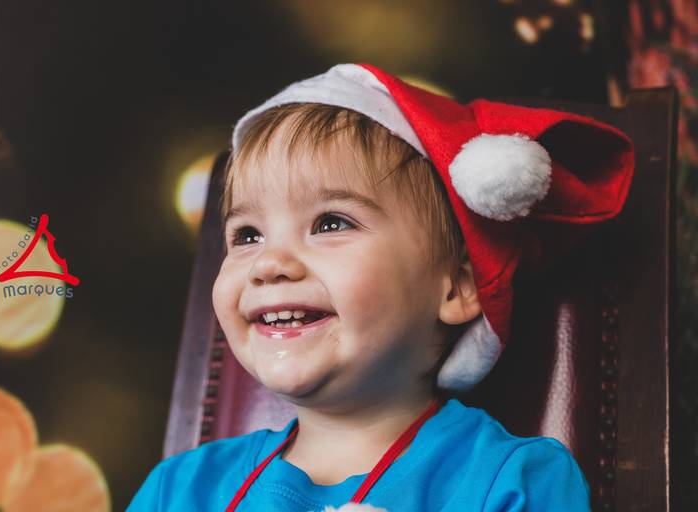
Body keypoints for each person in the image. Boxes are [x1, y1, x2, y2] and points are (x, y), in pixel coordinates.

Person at [126, 63, 634, 511]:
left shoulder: (515, 482)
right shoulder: (179, 488)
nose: (269, 263)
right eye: (247, 235)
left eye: (330, 223)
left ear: (457, 287)